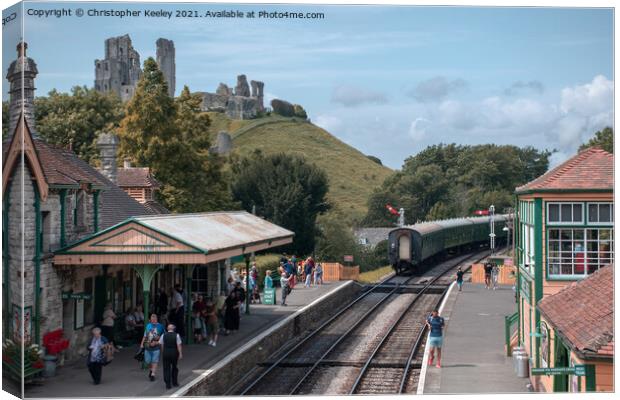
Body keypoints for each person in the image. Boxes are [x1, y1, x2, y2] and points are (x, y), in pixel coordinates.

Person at [141, 313, 164, 381]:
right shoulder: (148, 326)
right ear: (150, 320)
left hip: (156, 347)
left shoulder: (160, 326)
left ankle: (153, 374)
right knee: (148, 361)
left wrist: (157, 342)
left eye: (154, 319)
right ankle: (151, 370)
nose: (153, 320)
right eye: (152, 319)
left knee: (155, 361)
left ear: (156, 319)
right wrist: (142, 344)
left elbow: (164, 337)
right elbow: (145, 335)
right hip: (148, 346)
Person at [159, 324, 183, 390]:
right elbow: (179, 345)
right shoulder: (177, 335)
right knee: (174, 367)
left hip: (166, 352)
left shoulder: (163, 335)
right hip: (174, 353)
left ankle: (168, 384)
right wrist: (180, 353)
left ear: (167, 329)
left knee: (166, 368)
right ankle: (175, 382)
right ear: (173, 329)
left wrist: (163, 352)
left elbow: (162, 345)